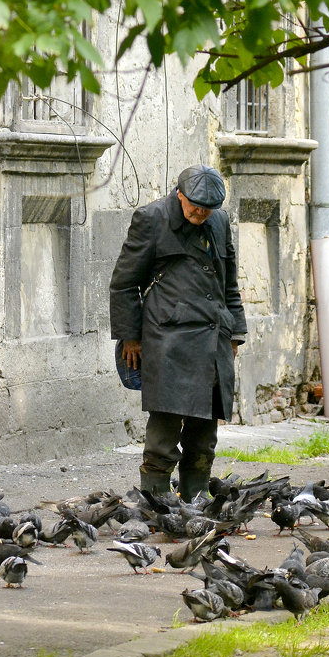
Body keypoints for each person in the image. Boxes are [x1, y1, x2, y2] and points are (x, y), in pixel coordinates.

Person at [109, 164, 247, 501]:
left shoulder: (220, 221)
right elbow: (124, 284)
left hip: (213, 339)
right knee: (164, 429)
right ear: (180, 194)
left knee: (204, 433)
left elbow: (228, 282)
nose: (201, 213)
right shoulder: (151, 219)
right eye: (195, 206)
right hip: (167, 341)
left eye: (208, 208)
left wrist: (235, 333)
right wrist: (132, 338)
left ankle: (195, 500)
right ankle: (155, 501)